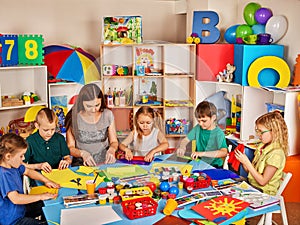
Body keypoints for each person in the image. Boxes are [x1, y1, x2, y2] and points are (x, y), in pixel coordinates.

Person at [0, 133, 60, 225]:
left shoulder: (13, 166)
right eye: (21, 156)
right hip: (13, 221)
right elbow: (16, 199)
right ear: (8, 156)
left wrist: (46, 180)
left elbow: (28, 172)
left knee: (46, 203)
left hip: (21, 209)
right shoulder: (3, 174)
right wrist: (41, 196)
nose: (23, 158)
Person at [235, 111, 288, 195]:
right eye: (257, 131)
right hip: (253, 186)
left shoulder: (276, 154)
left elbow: (262, 181)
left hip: (263, 193)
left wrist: (247, 162)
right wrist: (242, 161)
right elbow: (252, 173)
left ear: (274, 131)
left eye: (261, 131)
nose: (258, 134)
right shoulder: (262, 147)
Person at [65, 83, 118, 166]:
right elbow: (70, 147)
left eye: (97, 105)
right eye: (89, 106)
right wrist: (82, 154)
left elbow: (113, 141)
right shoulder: (73, 117)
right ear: (81, 103)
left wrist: (112, 149)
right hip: (81, 162)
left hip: (105, 161)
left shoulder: (108, 115)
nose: (93, 110)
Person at [177, 101, 228, 168]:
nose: (200, 124)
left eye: (204, 121)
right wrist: (182, 147)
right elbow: (185, 140)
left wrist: (202, 153)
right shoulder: (198, 128)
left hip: (214, 166)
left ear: (213, 118)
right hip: (199, 163)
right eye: (199, 121)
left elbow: (224, 152)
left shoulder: (219, 133)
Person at [24, 108, 72, 173]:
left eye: (53, 129)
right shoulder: (30, 141)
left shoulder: (60, 138)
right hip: (37, 176)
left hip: (57, 174)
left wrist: (66, 161)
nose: (50, 133)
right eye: (46, 130)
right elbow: (21, 164)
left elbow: (67, 157)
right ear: (37, 125)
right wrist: (38, 166)